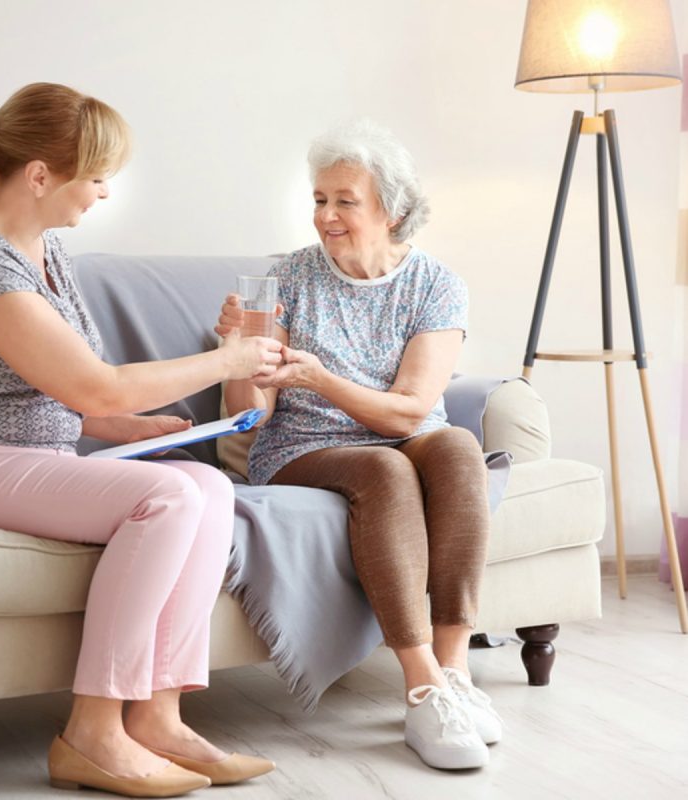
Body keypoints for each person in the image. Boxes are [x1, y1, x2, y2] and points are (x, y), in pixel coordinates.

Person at [0, 83, 282, 797]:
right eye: (96, 177)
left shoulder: (48, 256)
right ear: (39, 176)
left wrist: (129, 428)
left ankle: (158, 716)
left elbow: (62, 394)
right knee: (167, 499)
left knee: (208, 485)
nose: (105, 194)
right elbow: (95, 385)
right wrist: (229, 360)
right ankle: (91, 732)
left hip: (33, 456)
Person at [217, 119, 502, 771]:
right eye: (320, 199)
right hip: (302, 448)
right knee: (385, 470)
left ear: (392, 209)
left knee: (456, 446)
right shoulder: (285, 281)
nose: (327, 215)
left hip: (401, 434)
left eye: (345, 200)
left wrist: (320, 374)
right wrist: (235, 361)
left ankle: (454, 675)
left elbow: (411, 411)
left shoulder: (435, 285)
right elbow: (253, 418)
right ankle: (422, 684)